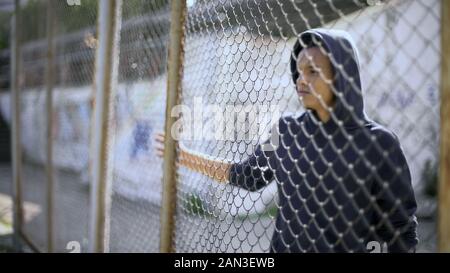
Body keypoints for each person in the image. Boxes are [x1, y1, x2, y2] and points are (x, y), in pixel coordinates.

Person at [155, 28, 418, 253]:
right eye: (299, 70)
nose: (301, 80)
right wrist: (182, 155)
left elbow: (400, 228)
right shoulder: (284, 130)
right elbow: (246, 175)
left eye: (313, 71)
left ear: (342, 75)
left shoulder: (379, 143)